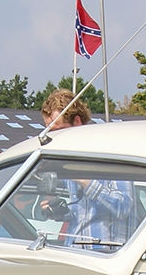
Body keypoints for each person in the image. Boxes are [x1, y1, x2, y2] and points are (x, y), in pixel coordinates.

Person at [34, 92, 132, 248]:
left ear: (77, 122)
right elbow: (82, 214)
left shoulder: (110, 153)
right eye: (49, 131)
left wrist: (85, 181)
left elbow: (124, 207)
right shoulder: (70, 158)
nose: (55, 137)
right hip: (75, 251)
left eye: (58, 130)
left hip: (105, 255)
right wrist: (59, 211)